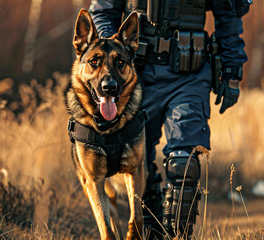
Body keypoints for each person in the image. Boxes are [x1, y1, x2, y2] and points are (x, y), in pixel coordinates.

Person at [89, 0, 250, 238]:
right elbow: (102, 12)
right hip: (136, 74)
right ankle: (151, 233)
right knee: (138, 162)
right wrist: (109, 60)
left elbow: (229, 14)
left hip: (190, 75)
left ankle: (177, 236)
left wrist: (232, 69)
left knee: (185, 162)